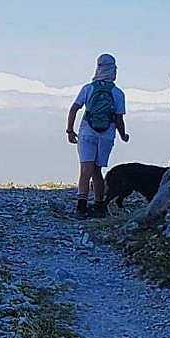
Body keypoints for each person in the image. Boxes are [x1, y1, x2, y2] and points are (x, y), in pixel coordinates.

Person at [66, 53, 129, 218]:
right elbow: (119, 118)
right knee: (97, 170)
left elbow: (74, 109)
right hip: (106, 134)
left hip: (87, 131)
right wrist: (123, 135)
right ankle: (100, 205)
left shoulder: (88, 88)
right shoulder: (117, 93)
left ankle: (81, 207)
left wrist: (70, 130)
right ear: (114, 70)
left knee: (85, 169)